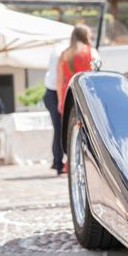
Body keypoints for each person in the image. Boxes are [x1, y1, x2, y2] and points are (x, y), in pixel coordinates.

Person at [56, 25, 99, 175]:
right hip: (87, 97)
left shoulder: (64, 55)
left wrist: (60, 102)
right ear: (85, 36)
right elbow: (97, 74)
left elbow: (59, 81)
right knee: (89, 130)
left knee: (72, 131)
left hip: (69, 98)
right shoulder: (92, 52)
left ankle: (71, 163)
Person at [43, 40, 69, 175]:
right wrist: (60, 100)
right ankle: (58, 163)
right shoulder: (63, 51)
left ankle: (58, 162)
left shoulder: (59, 48)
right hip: (54, 92)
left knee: (59, 129)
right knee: (59, 129)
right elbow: (58, 80)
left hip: (53, 92)